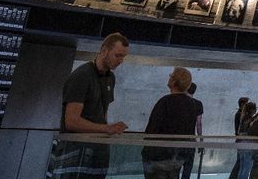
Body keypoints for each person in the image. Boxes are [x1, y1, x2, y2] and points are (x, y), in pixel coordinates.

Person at [54, 33, 130, 178]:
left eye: (123, 57)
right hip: (77, 149)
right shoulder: (82, 75)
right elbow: (71, 121)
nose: (121, 61)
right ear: (104, 51)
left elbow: (103, 111)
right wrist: (106, 129)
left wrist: (106, 131)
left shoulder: (110, 77)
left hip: (97, 149)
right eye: (118, 55)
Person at [143, 67, 203, 179]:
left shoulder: (165, 101)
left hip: (158, 158)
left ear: (174, 81)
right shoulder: (194, 105)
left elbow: (151, 131)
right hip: (177, 158)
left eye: (171, 76)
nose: (169, 77)